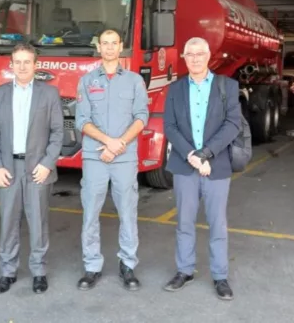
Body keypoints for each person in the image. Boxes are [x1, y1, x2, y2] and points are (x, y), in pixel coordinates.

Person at [162, 37, 241, 301]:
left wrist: (206, 154)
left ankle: (220, 276)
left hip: (215, 165)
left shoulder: (227, 86)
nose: (195, 58)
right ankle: (184, 270)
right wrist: (191, 155)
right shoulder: (175, 89)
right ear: (184, 57)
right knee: (184, 222)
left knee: (217, 224)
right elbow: (170, 127)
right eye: (190, 54)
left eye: (200, 54)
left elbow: (232, 124)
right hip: (186, 167)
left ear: (209, 56)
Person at [74, 29, 149, 291]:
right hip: (95, 157)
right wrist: (108, 143)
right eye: (104, 43)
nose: (108, 48)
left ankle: (127, 265)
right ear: (99, 48)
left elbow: (142, 117)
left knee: (127, 213)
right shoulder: (86, 80)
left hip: (124, 158)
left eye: (113, 43)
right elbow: (82, 120)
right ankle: (91, 266)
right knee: (90, 214)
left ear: (121, 47)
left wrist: (118, 146)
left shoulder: (134, 81)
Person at [0, 43, 64, 294]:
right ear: (11, 64)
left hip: (37, 169)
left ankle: (39, 271)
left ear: (35, 65)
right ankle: (8, 271)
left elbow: (57, 133)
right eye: (17, 62)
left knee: (38, 221)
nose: (21, 66)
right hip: (8, 168)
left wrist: (47, 164)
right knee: (8, 221)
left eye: (26, 62)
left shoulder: (49, 94)